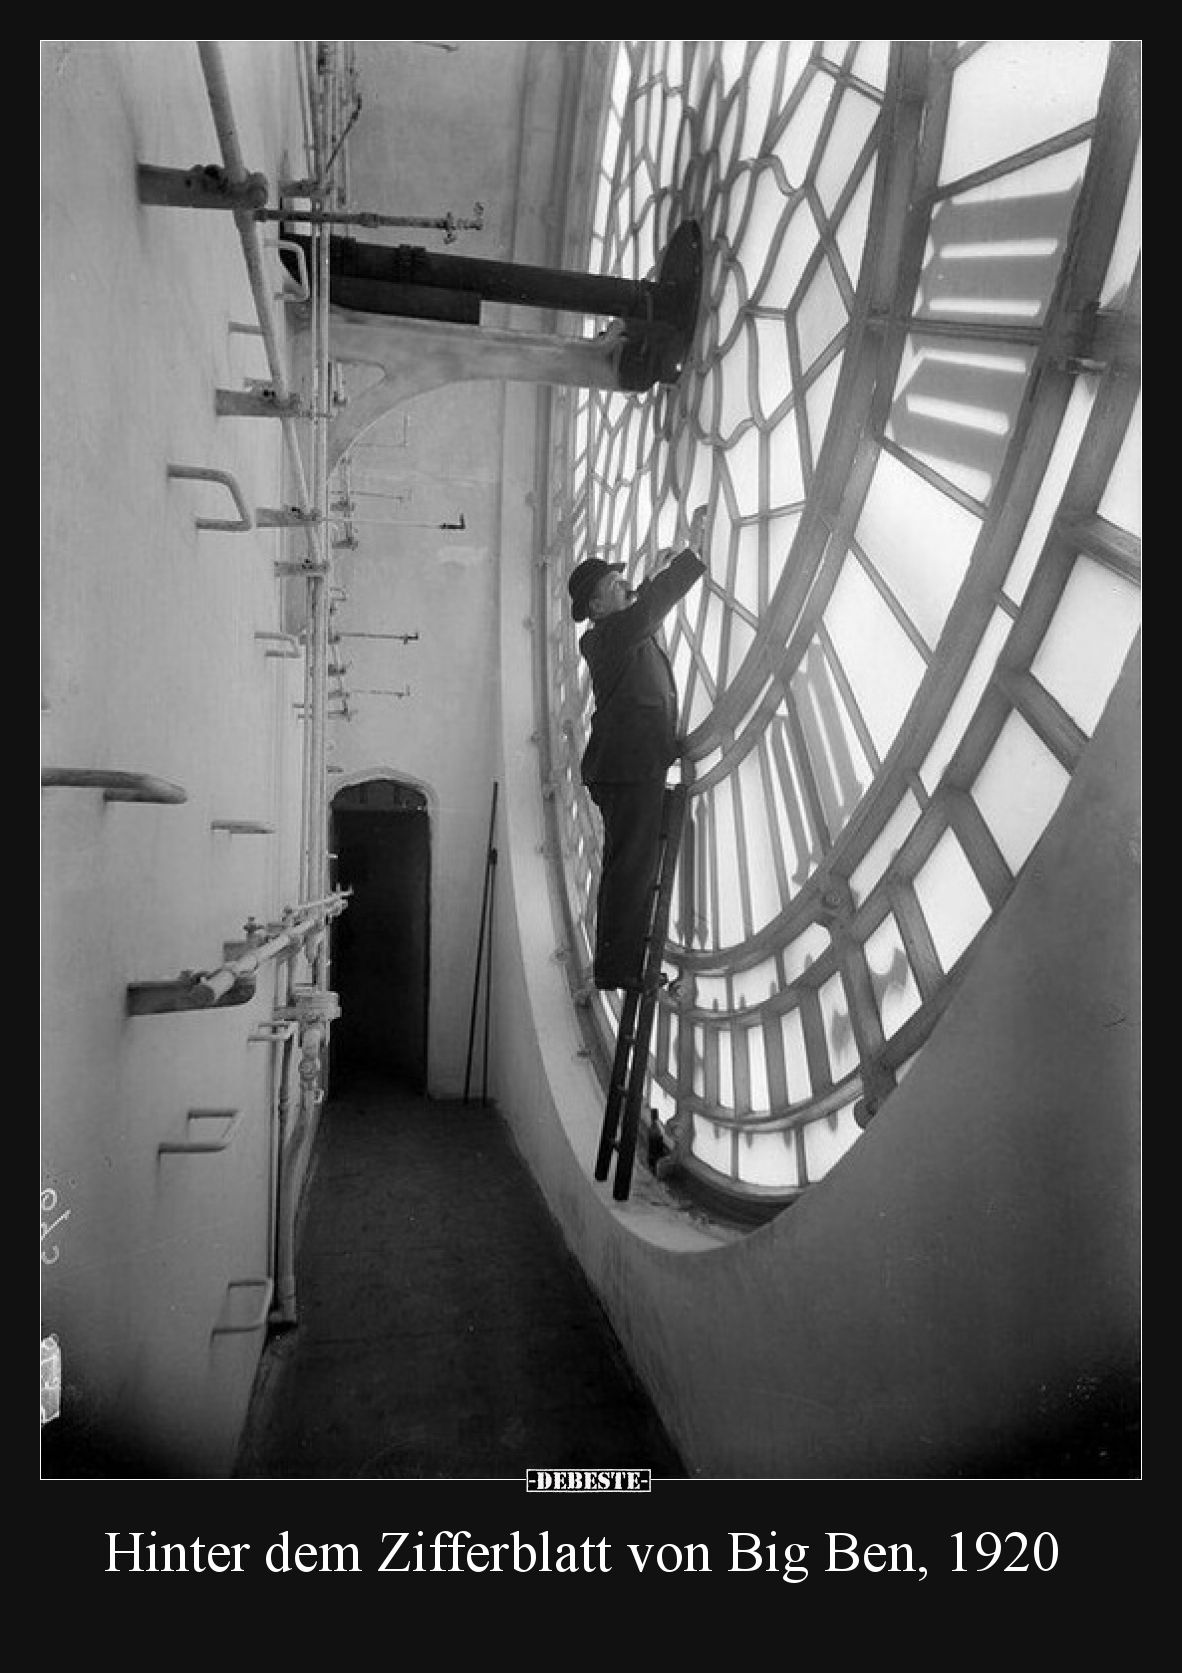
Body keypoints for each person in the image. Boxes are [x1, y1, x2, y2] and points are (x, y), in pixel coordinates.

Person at [568, 511, 707, 990]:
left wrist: (652, 577)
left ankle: (621, 963)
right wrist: (691, 558)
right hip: (627, 766)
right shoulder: (602, 638)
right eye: (613, 582)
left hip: (632, 764)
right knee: (631, 866)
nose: (623, 583)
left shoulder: (615, 633)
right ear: (595, 605)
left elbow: (638, 610)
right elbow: (643, 612)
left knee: (633, 862)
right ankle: (619, 968)